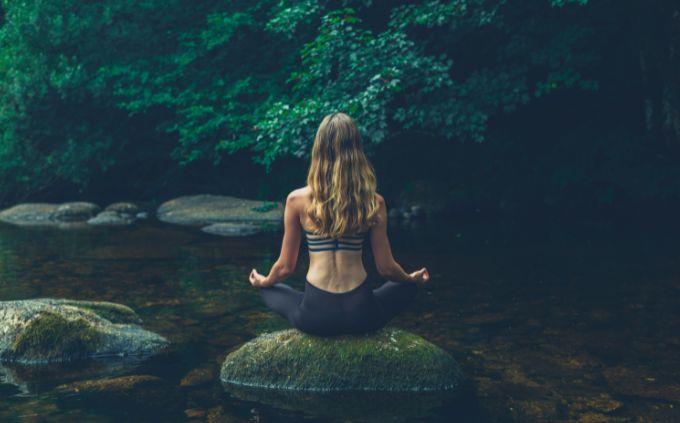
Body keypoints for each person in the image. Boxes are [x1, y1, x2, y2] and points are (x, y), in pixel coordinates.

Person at [248, 112, 430, 337]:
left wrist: (263, 281)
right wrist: (409, 278)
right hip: (361, 314)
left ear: (319, 150)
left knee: (270, 289)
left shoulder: (296, 200)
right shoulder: (374, 201)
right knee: (409, 286)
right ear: (356, 151)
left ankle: (263, 286)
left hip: (316, 316)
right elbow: (386, 268)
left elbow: (285, 268)